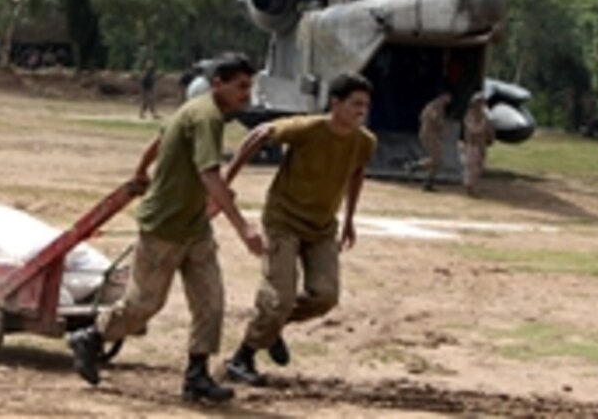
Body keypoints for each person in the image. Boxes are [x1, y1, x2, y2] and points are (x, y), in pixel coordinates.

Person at [67, 52, 264, 404]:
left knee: (211, 302)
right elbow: (209, 174)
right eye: (240, 86)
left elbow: (160, 139)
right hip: (163, 228)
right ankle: (91, 337)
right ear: (218, 83)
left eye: (249, 86)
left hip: (195, 228)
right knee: (143, 305)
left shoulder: (200, 110)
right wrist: (243, 227)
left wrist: (141, 169)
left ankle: (196, 376)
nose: (246, 94)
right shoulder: (205, 117)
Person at [222, 73, 376, 386]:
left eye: (365, 106)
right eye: (355, 104)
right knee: (280, 296)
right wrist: (225, 183)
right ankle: (242, 357)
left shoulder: (364, 142)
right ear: (335, 104)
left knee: (325, 296)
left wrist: (349, 220)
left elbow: (356, 174)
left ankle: (272, 328)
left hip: (321, 228)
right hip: (283, 221)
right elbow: (259, 134)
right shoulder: (308, 128)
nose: (361, 111)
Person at [415, 91, 452, 191]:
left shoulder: (439, 107)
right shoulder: (434, 107)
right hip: (429, 135)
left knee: (437, 160)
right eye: (447, 97)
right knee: (436, 159)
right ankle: (417, 167)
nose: (449, 100)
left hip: (433, 135)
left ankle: (427, 180)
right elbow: (432, 119)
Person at [462, 94, 495, 196]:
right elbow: (474, 129)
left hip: (481, 145)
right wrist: (484, 123)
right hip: (472, 144)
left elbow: (490, 130)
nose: (483, 105)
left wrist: (490, 136)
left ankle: (473, 186)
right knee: (472, 167)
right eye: (481, 102)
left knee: (479, 167)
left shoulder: (484, 116)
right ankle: (470, 187)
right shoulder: (470, 116)